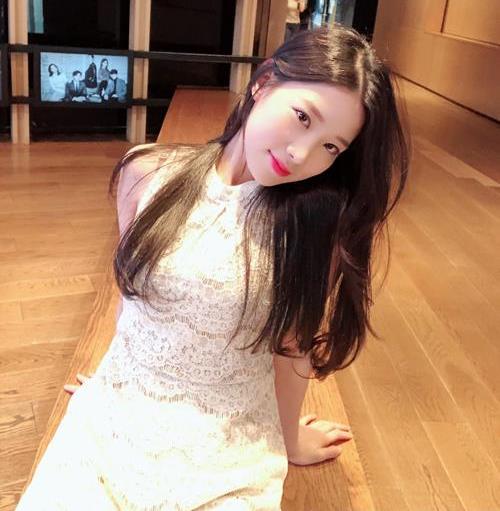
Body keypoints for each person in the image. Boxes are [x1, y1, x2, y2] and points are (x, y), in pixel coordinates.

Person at [15, 24, 409, 510]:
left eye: (332, 146)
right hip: (115, 419)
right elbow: (135, 290)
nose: (300, 154)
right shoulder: (147, 172)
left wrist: (288, 439)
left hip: (228, 446)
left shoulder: (311, 229)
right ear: (264, 83)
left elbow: (292, 348)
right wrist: (112, 379)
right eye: (303, 117)